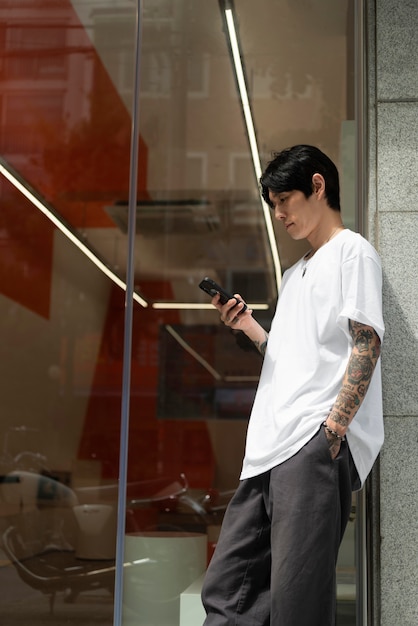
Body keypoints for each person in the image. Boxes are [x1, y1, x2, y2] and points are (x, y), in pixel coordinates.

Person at [201, 144, 384, 626]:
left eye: (284, 199)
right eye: (273, 204)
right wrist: (250, 329)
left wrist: (331, 433)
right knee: (226, 596)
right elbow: (288, 358)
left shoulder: (353, 252)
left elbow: (366, 343)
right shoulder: (295, 273)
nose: (279, 213)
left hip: (309, 447)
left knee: (295, 602)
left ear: (318, 186)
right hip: (265, 449)